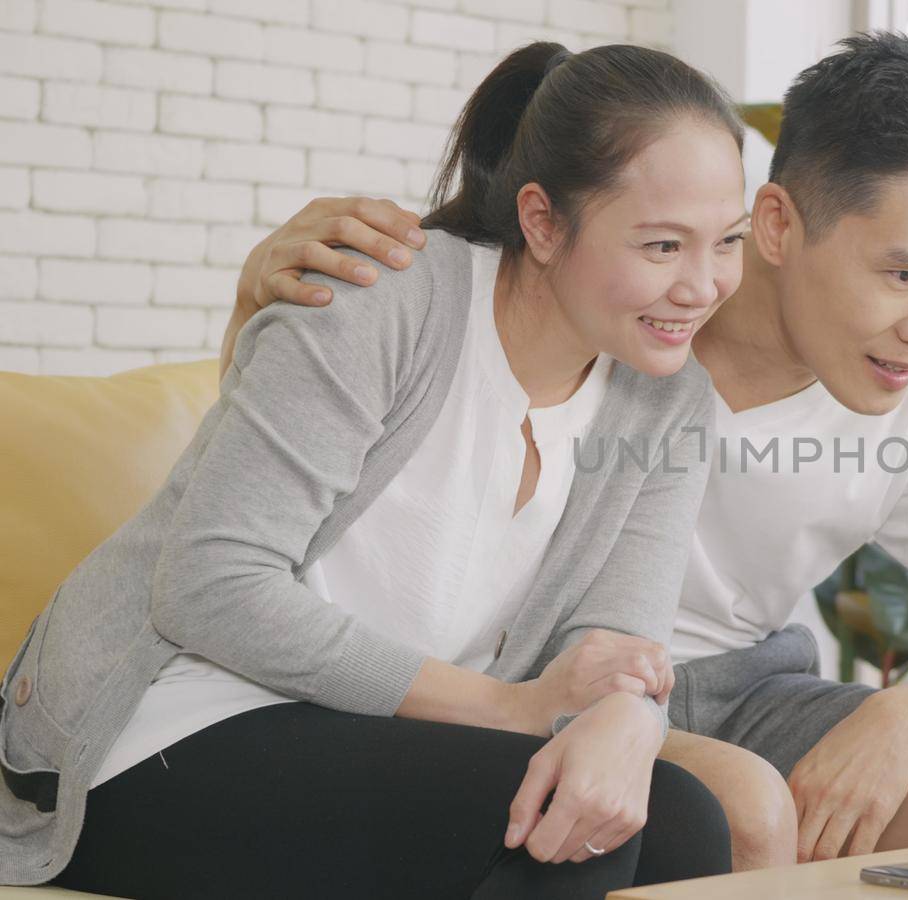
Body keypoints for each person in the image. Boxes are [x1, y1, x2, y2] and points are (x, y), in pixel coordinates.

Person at [222, 32, 908, 873]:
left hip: (749, 689)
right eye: (902, 274)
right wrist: (258, 302)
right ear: (779, 224)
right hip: (543, 673)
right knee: (738, 808)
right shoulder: (630, 290)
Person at [0, 41, 752, 898]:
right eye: (662, 246)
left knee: (686, 822)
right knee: (567, 835)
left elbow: (620, 649)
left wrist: (630, 719)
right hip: (166, 721)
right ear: (542, 223)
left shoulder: (669, 399)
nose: (703, 285)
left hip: (382, 733)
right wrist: (513, 709)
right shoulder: (379, 301)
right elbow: (209, 586)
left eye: (726, 242)